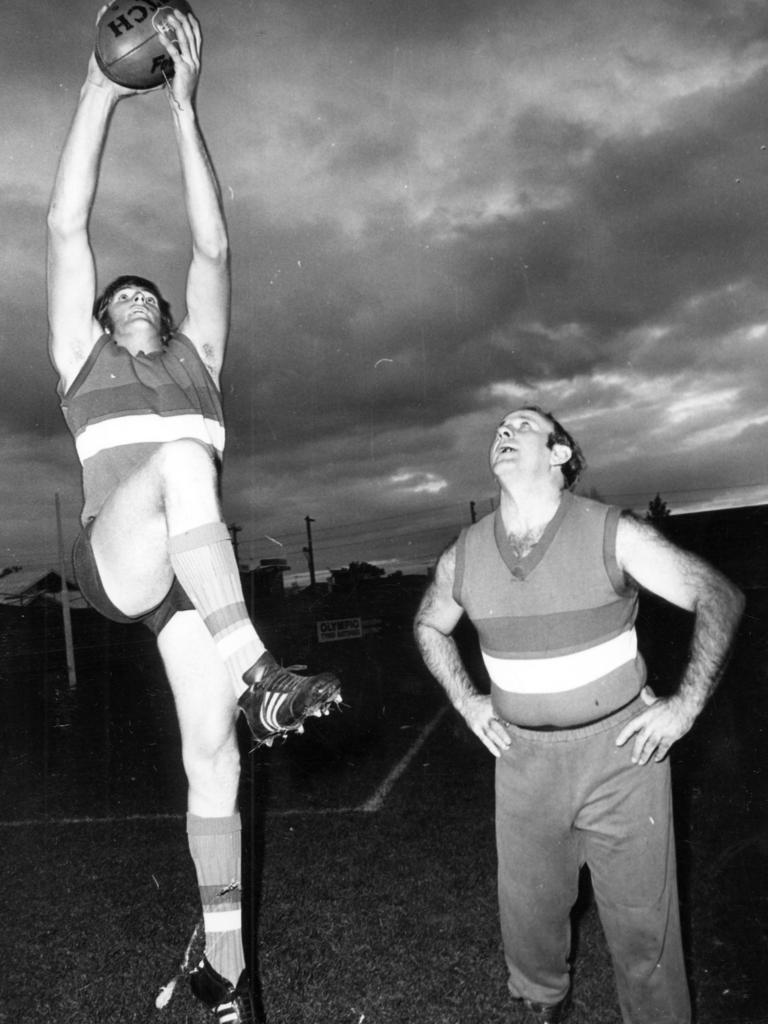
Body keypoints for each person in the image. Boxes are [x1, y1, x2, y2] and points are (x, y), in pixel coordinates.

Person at [46, 12, 341, 1023]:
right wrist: (99, 90)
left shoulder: (197, 364)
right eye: (117, 292)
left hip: (189, 587)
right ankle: (262, 670)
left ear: (167, 317)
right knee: (176, 457)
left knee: (213, 760)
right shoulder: (84, 366)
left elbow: (213, 242)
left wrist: (182, 105)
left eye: (145, 290)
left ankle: (224, 970)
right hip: (118, 560)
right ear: (98, 320)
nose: (133, 290)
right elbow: (64, 225)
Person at [413, 405, 744, 1024]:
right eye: (498, 430)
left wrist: (686, 706)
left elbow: (718, 596)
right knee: (532, 948)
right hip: (522, 768)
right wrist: (465, 697)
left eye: (522, 426)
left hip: (622, 760)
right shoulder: (466, 553)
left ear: (561, 455)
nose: (503, 433)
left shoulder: (610, 533)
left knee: (647, 945)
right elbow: (430, 624)